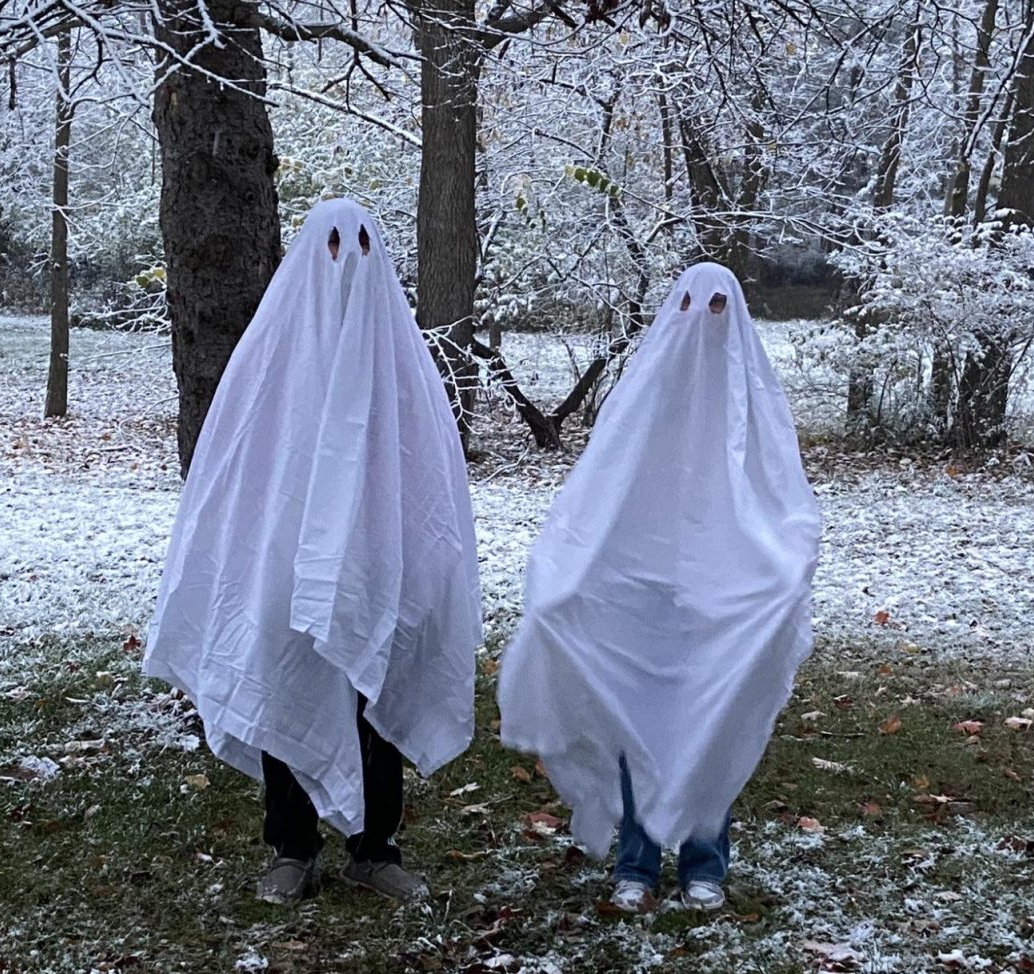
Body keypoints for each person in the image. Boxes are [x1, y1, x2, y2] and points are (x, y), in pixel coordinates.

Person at [144, 199, 482, 906]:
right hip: (284, 555)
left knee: (374, 691)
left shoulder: (401, 362)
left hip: (376, 560)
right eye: (331, 242)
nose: (344, 257)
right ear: (308, 252)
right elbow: (238, 466)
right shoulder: (271, 356)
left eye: (360, 242)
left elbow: (427, 473)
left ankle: (374, 846)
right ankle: (291, 846)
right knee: (285, 671)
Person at [497, 263, 819, 912]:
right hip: (639, 591)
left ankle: (705, 860)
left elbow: (779, 493)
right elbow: (600, 492)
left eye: (721, 307)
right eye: (695, 306)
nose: (707, 321)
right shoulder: (642, 399)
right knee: (639, 728)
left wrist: (781, 575)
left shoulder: (752, 402)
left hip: (722, 597)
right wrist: (568, 584)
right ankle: (637, 863)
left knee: (709, 728)